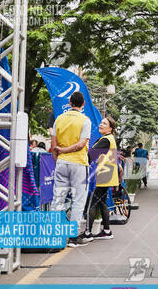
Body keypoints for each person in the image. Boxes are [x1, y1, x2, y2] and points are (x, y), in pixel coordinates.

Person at [50, 91, 92, 247]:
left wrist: (59, 158)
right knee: (79, 200)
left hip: (61, 163)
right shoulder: (85, 120)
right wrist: (65, 151)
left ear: (69, 103)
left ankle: (54, 236)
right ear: (83, 104)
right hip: (79, 163)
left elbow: (53, 145)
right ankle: (73, 238)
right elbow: (81, 145)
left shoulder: (59, 119)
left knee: (58, 198)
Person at [82, 117, 119, 242]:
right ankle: (107, 231)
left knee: (92, 203)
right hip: (108, 175)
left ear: (110, 128)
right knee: (102, 203)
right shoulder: (110, 139)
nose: (101, 124)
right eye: (101, 122)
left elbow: (91, 155)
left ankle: (87, 233)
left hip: (103, 175)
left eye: (104, 123)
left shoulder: (106, 140)